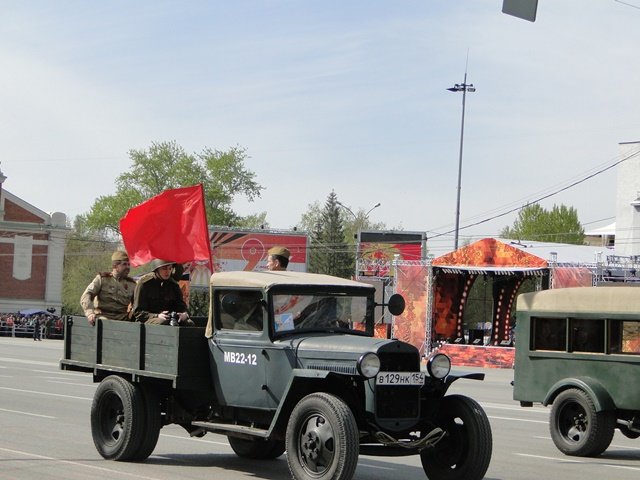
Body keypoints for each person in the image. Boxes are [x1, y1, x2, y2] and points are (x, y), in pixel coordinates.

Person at [80, 251, 136, 326]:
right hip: (103, 316)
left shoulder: (132, 284)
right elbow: (87, 295)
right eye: (124, 264)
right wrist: (90, 312)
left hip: (122, 318)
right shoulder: (102, 279)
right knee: (105, 325)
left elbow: (138, 304)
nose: (128, 267)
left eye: (129, 264)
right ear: (115, 266)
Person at [132, 259, 193, 325]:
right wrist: (157, 316)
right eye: (164, 269)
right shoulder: (145, 283)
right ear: (157, 269)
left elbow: (182, 306)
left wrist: (184, 314)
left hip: (170, 318)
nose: (168, 272)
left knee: (189, 323)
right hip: (147, 320)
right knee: (162, 322)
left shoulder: (173, 285)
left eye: (170, 269)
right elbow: (138, 312)